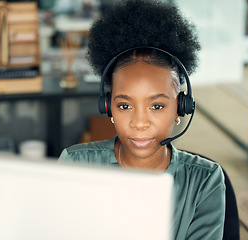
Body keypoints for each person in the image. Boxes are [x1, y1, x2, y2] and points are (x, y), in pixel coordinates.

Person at [58, 0, 226, 239]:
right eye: (124, 105)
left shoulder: (204, 182)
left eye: (156, 106)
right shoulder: (75, 165)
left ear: (181, 107)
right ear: (108, 107)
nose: (139, 122)